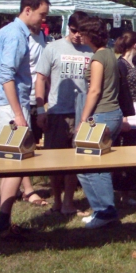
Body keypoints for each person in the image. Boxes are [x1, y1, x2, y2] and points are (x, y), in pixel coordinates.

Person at [0, 0, 50, 240]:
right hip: (11, 107)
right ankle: (2, 223)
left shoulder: (4, 32)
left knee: (12, 163)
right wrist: (18, 114)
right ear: (28, 10)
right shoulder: (16, 35)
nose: (43, 20)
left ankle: (4, 222)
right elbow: (7, 76)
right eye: (42, 14)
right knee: (16, 164)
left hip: (4, 105)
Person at [35, 11, 93, 216]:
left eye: (81, 32)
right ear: (68, 28)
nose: (77, 35)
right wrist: (40, 109)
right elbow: (40, 78)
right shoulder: (53, 48)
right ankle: (57, 202)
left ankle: (69, 201)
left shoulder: (90, 50)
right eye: (74, 31)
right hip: (57, 112)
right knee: (54, 160)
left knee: (75, 160)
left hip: (80, 114)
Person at [75, 16, 125, 228]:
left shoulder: (97, 58)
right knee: (88, 164)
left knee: (93, 166)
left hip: (102, 115)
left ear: (90, 35)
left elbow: (94, 90)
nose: (79, 36)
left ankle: (106, 212)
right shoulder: (110, 54)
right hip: (113, 114)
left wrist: (83, 119)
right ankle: (99, 210)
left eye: (82, 33)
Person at [114, 31, 136, 145]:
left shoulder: (133, 65)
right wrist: (124, 117)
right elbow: (120, 92)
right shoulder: (121, 64)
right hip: (128, 112)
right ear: (135, 45)